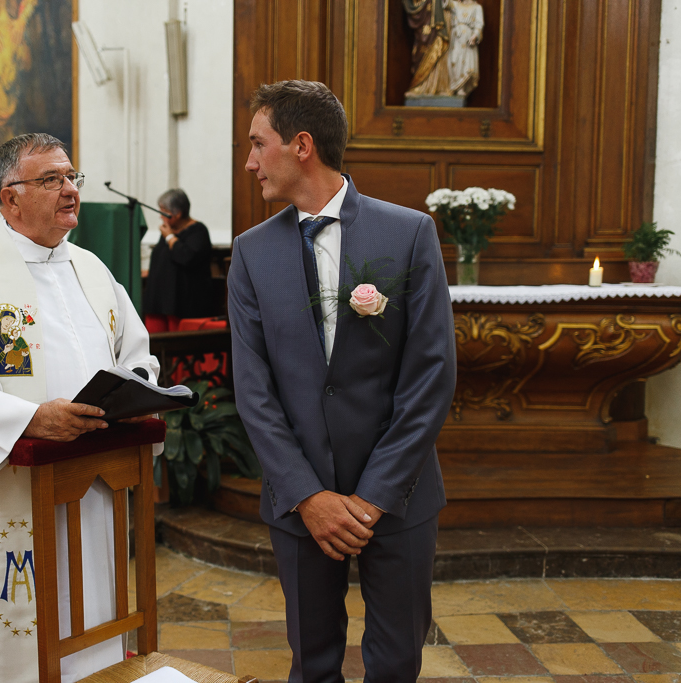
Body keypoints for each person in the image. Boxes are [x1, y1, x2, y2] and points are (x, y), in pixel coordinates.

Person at [0, 133, 159, 683]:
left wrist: (136, 394)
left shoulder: (92, 270)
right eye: (51, 180)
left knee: (85, 611)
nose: (69, 190)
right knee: (2, 626)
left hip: (88, 487)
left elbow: (136, 355)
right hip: (2, 486)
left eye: (71, 177)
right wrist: (28, 419)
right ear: (9, 197)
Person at [228, 80, 456, 682]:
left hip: (398, 497)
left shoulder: (408, 233)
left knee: (397, 660)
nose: (249, 160)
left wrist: (373, 494)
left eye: (257, 143)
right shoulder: (251, 253)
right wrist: (309, 495)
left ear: (302, 145)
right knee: (313, 661)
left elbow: (431, 374)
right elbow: (253, 390)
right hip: (299, 499)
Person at [142, 188, 214, 332]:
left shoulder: (198, 231)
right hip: (158, 300)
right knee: (153, 342)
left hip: (180, 303)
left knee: (174, 346)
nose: (160, 217)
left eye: (163, 212)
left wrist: (169, 237)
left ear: (177, 213)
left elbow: (186, 257)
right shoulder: (168, 230)